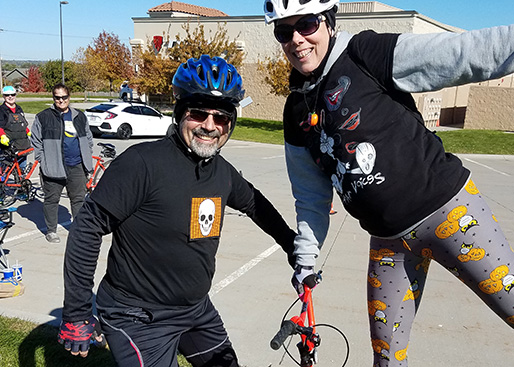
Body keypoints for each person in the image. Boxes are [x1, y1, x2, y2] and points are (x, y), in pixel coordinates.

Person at [264, 0, 514, 365]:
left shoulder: (366, 54)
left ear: (329, 22)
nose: (296, 40)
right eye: (283, 31)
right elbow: (309, 197)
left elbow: (466, 52)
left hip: (452, 217)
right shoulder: (296, 111)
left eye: (306, 24)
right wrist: (305, 260)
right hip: (389, 242)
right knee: (387, 358)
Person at [57, 55, 296, 367]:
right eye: (199, 114)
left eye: (221, 118)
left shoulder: (221, 171)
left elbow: (254, 203)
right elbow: (86, 228)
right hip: (138, 316)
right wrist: (77, 312)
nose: (210, 126)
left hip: (196, 309)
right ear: (181, 114)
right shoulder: (141, 163)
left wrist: (293, 246)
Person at [30, 84, 94, 243]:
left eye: (64, 97)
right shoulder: (43, 117)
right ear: (53, 98)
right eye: (57, 97)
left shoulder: (79, 116)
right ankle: (51, 231)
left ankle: (78, 230)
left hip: (77, 166)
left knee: (78, 199)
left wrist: (86, 156)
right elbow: (36, 141)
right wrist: (44, 161)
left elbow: (88, 138)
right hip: (53, 167)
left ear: (69, 97)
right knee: (52, 200)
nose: (61, 100)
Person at [0, 85, 31, 171]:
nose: (10, 97)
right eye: (7, 95)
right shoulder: (1, 110)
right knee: (4, 171)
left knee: (21, 170)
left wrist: (28, 131)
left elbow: (23, 123)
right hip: (8, 146)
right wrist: (2, 136)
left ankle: (20, 183)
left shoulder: (19, 109)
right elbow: (0, 126)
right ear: (3, 96)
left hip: (22, 144)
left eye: (13, 94)